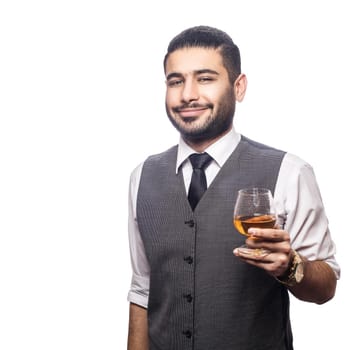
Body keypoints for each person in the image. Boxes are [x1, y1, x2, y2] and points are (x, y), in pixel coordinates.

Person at [126, 25, 340, 350]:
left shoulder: (290, 171)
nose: (188, 94)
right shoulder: (142, 175)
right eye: (176, 81)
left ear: (238, 87)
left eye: (206, 78)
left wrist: (292, 267)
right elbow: (143, 290)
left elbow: (326, 287)